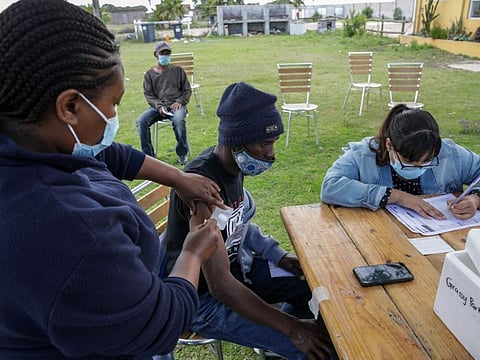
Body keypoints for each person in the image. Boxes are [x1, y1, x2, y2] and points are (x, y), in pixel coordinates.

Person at [0, 1, 226, 358]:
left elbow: (108, 153)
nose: (113, 116)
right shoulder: (71, 231)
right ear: (70, 107)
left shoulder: (28, 137)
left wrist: (177, 178)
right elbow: (159, 324)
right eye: (114, 103)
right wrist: (193, 254)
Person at [164, 82, 335, 360]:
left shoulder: (233, 164)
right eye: (263, 144)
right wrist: (292, 329)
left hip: (239, 275)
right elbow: (219, 285)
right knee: (319, 350)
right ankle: (283, 339)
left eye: (272, 144)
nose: (271, 154)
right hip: (203, 301)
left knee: (316, 287)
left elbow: (235, 222)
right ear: (235, 141)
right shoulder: (201, 187)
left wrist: (278, 257)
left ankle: (276, 341)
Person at [321, 104, 480, 220]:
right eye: (409, 161)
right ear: (389, 145)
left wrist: (475, 199)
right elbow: (330, 187)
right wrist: (395, 196)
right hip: (379, 238)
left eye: (427, 161)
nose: (418, 167)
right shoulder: (363, 155)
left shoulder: (450, 154)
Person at [136, 40, 191, 165]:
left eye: (167, 53)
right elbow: (148, 95)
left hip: (176, 105)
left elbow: (187, 90)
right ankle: (149, 156)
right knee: (141, 122)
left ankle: (182, 153)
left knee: (178, 121)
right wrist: (158, 106)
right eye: (162, 53)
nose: (165, 56)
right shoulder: (150, 74)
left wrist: (180, 101)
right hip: (158, 106)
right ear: (156, 54)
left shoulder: (178, 71)